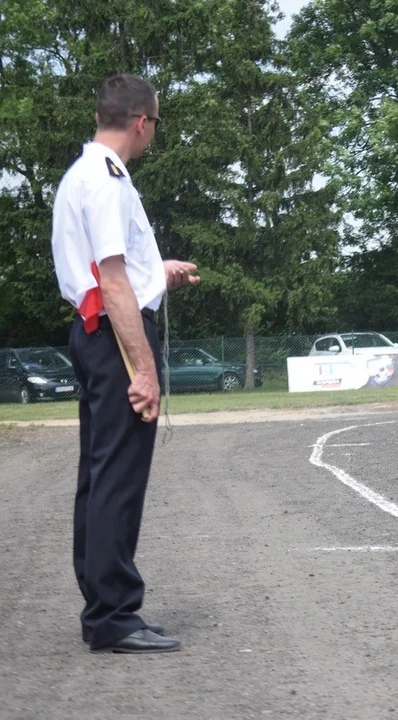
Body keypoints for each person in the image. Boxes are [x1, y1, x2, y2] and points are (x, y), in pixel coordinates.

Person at [51, 74, 200, 654]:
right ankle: (112, 616)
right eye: (155, 124)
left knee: (99, 476)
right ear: (143, 121)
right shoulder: (109, 180)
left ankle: (104, 603)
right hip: (114, 334)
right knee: (117, 479)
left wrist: (157, 272)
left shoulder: (81, 174)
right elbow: (112, 282)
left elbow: (112, 270)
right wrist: (143, 368)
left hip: (92, 332)